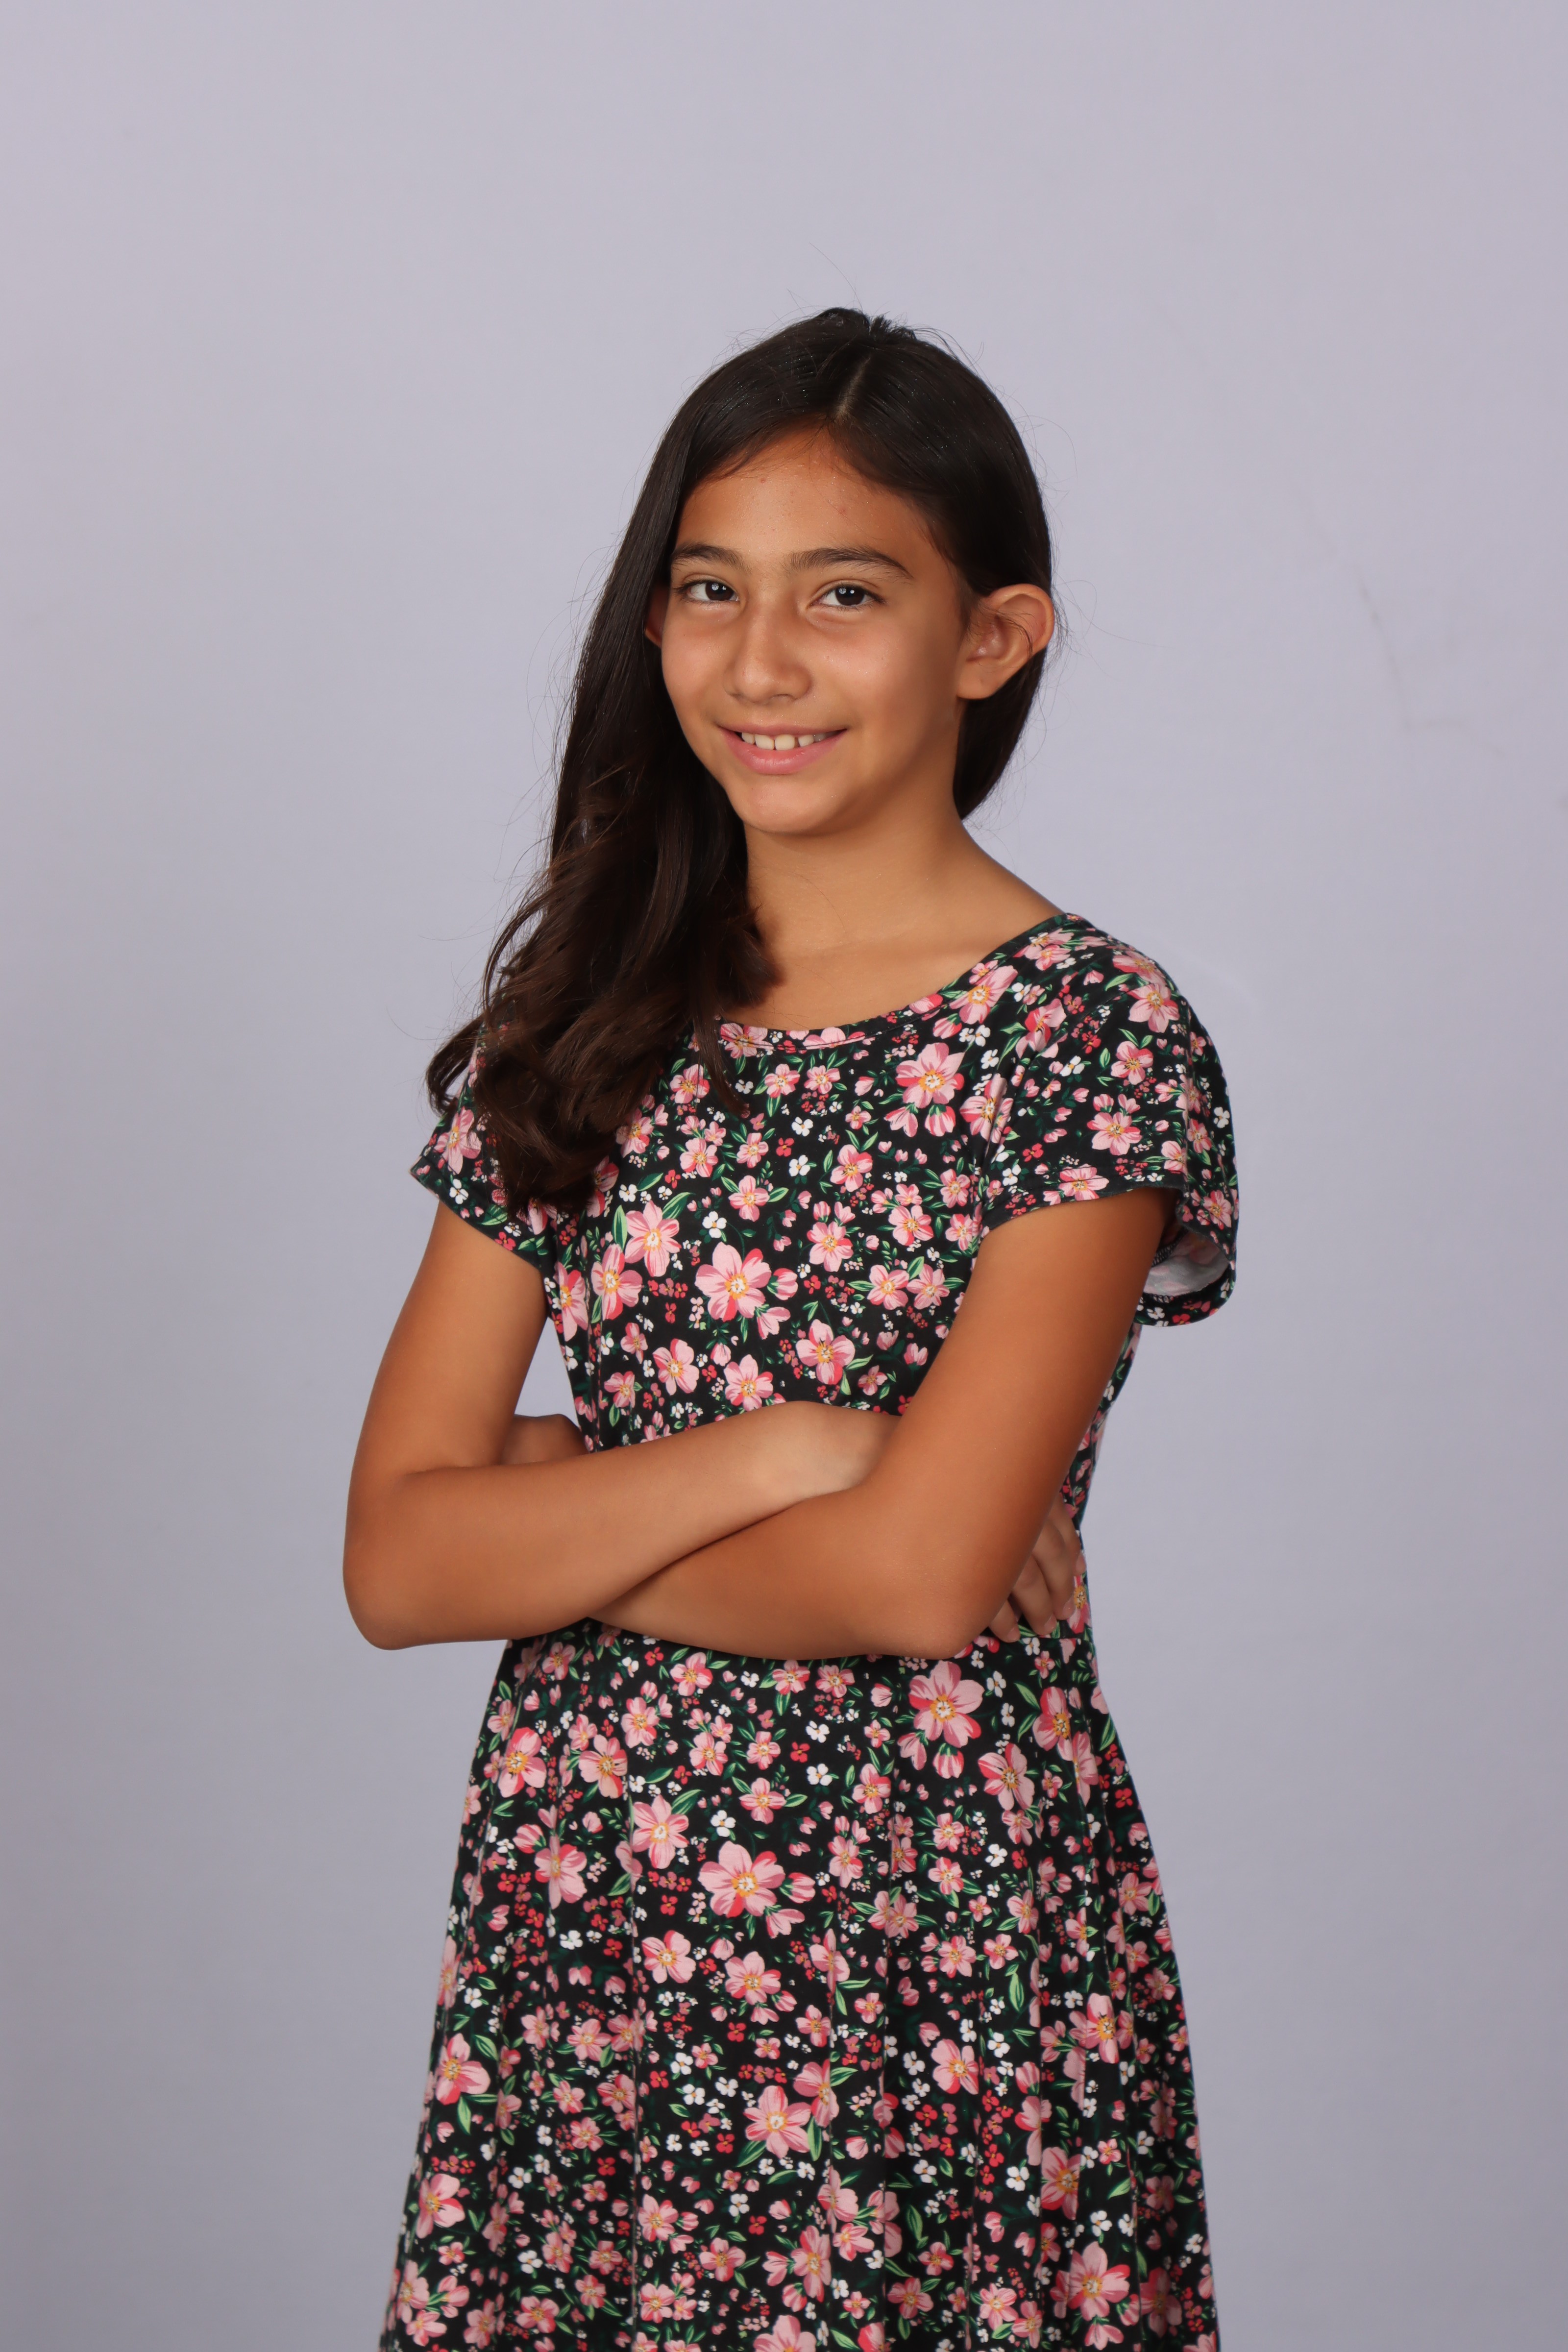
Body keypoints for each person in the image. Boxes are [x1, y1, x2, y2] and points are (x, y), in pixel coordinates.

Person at [346, 309, 1237, 2352]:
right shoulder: (585, 1021)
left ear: (989, 638)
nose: (759, 663)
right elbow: (395, 1562)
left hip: (927, 1942)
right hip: (595, 1939)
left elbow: (916, 1583)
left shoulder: (1083, 1039)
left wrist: (555, 1511)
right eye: (708, 592)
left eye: (844, 596)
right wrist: (794, 1452)